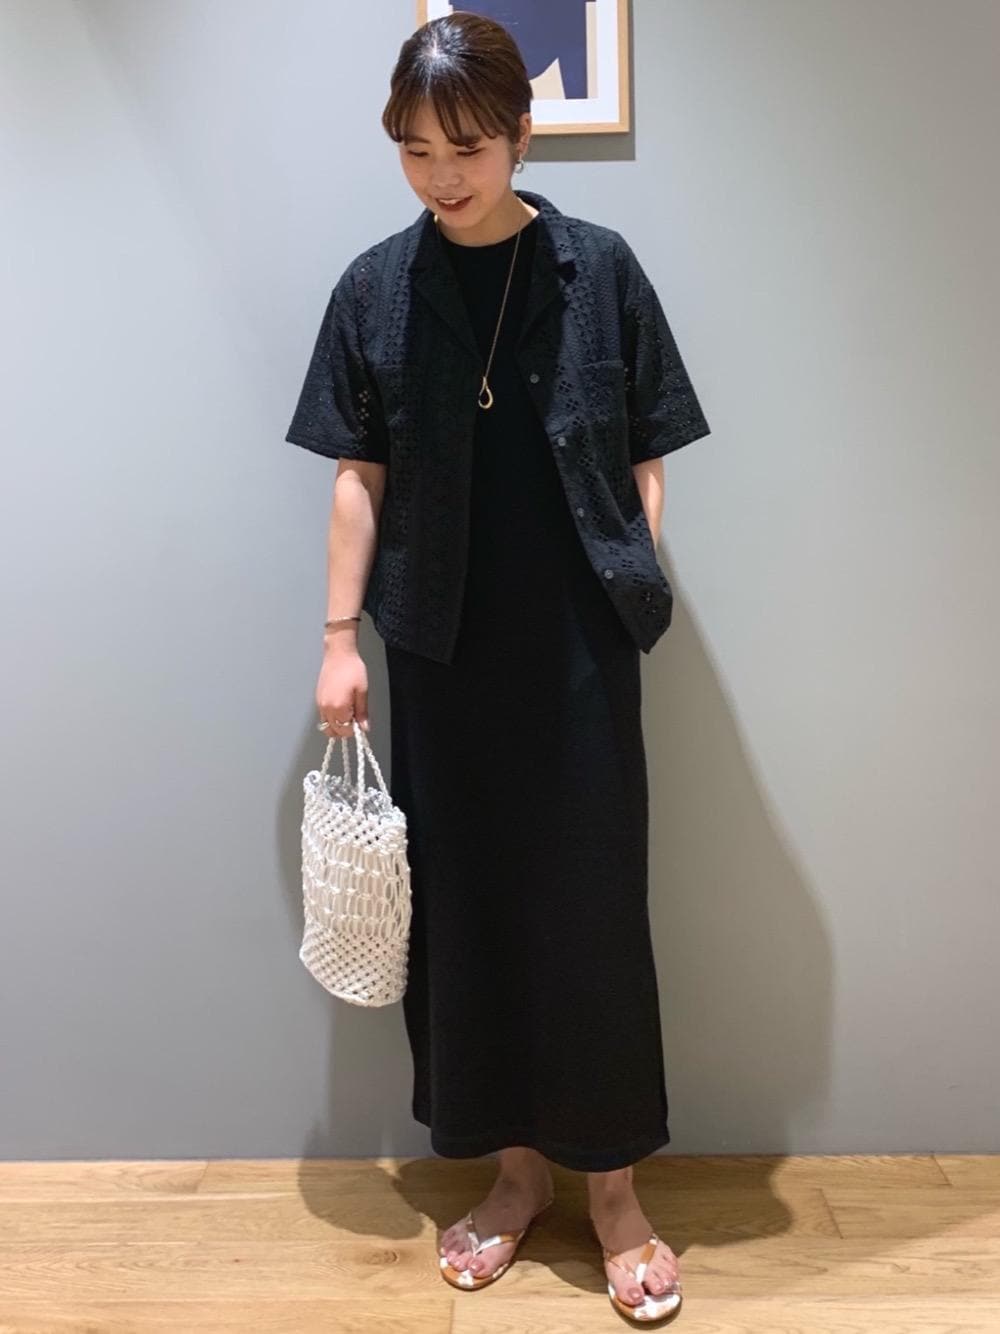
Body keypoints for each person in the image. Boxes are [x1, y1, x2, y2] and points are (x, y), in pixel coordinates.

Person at [285, 12, 710, 1321]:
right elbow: (359, 475)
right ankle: (517, 1176)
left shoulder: (599, 269)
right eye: (416, 150)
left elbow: (646, 450)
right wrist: (339, 639)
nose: (442, 175)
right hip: (443, 650)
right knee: (469, 917)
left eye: (465, 147)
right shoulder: (376, 289)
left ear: (522, 135)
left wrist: (625, 572)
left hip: (580, 653)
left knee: (591, 911)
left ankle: (615, 1190)